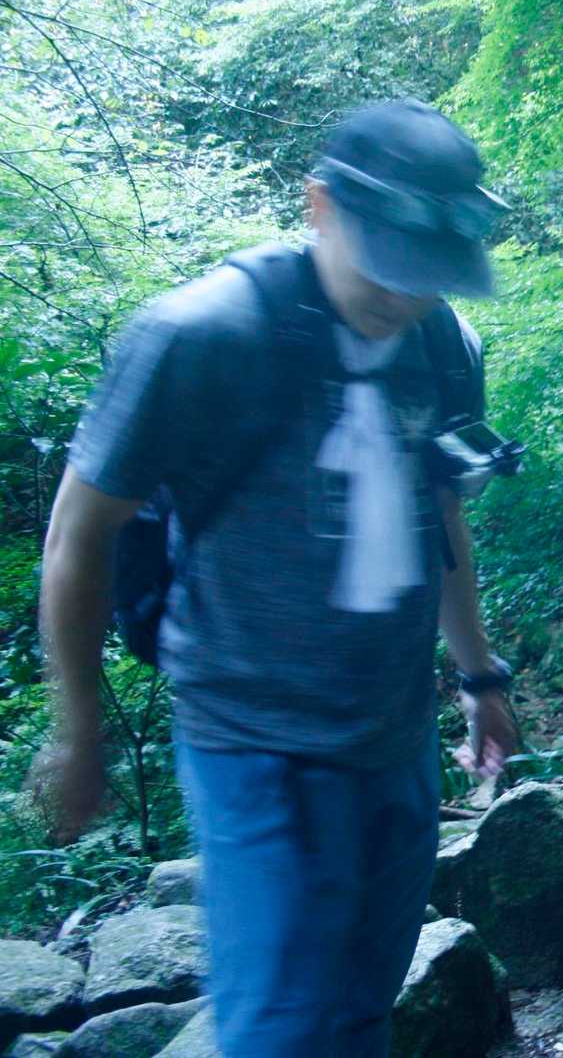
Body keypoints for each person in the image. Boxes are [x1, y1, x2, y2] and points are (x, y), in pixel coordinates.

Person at [30, 99, 519, 1056]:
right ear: (320, 206)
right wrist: (79, 731)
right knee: (282, 1030)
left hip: (395, 737)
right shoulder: (202, 337)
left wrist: (479, 674)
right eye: (389, 263)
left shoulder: (442, 347)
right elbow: (78, 535)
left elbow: (439, 514)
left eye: (429, 274)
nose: (405, 295)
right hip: (256, 747)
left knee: (365, 1010)